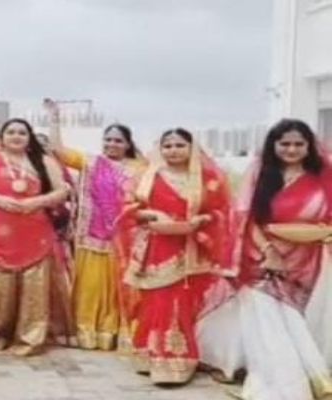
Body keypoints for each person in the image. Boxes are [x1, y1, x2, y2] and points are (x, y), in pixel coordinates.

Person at [198, 119, 332, 399]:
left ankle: (299, 370)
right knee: (267, 318)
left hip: (308, 259)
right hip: (260, 256)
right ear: (274, 145)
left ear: (309, 146)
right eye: (285, 143)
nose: (291, 149)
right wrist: (269, 250)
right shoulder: (261, 174)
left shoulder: (324, 176)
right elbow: (247, 219)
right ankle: (285, 381)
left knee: (295, 318)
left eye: (298, 144)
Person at [116, 128, 231, 385]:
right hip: (157, 246)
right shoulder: (146, 177)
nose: (173, 150)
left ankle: (177, 362)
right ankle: (149, 356)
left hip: (192, 247)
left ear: (192, 148)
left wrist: (202, 219)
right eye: (167, 146)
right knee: (156, 302)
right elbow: (127, 208)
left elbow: (222, 211)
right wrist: (149, 215)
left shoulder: (208, 179)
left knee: (181, 303)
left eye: (180, 145)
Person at [0, 118, 74, 356]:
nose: (16, 136)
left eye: (22, 133)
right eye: (11, 132)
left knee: (34, 288)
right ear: (1, 137)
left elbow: (62, 191)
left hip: (34, 234)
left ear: (29, 138)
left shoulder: (44, 161)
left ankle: (30, 336)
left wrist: (35, 202)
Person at [46, 99, 147, 351]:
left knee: (121, 288)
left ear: (128, 144)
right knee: (91, 288)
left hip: (125, 239)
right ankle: (87, 331)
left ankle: (118, 333)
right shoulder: (92, 162)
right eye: (108, 139)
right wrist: (54, 118)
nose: (111, 144)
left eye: (118, 140)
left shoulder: (141, 169)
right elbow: (58, 150)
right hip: (93, 237)